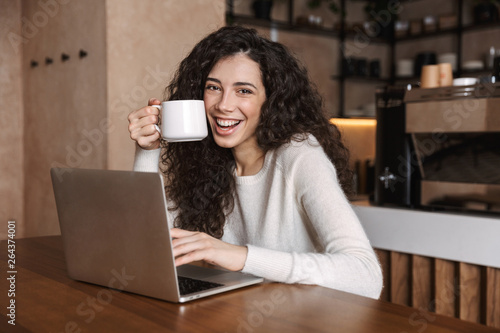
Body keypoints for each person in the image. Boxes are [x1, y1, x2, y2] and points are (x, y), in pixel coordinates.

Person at [127, 26, 383, 299]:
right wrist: (147, 150)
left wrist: (241, 257)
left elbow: (366, 274)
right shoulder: (209, 164)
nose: (224, 105)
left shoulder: (299, 155)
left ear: (271, 101)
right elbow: (147, 243)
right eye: (213, 87)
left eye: (244, 91)